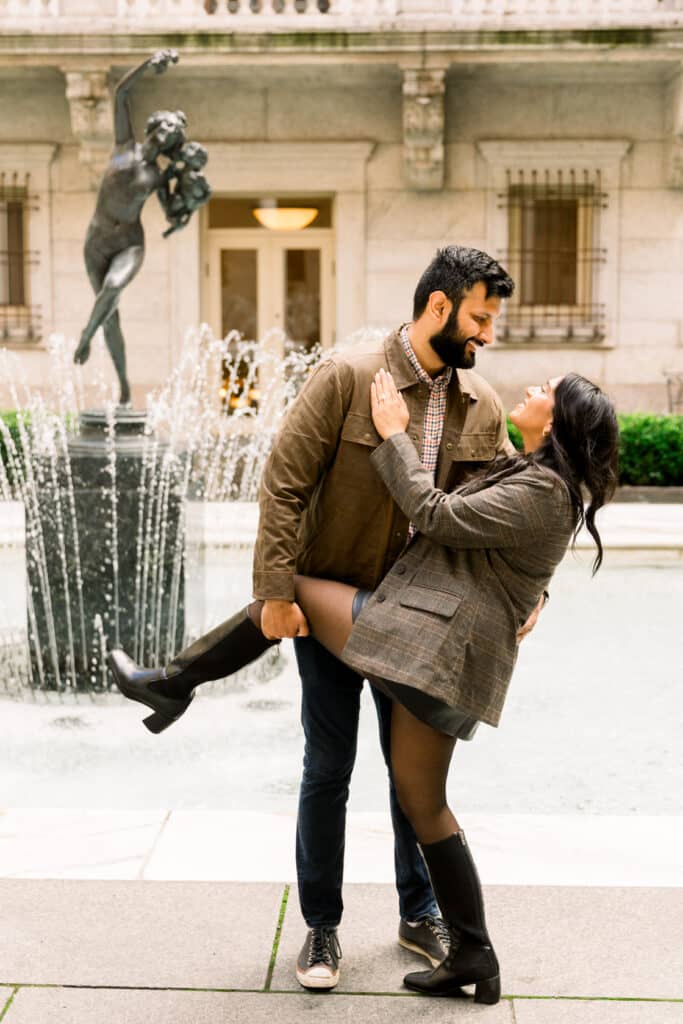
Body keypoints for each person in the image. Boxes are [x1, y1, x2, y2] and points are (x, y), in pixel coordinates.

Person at [109, 366, 620, 1004]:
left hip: (427, 645)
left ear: (561, 421)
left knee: (290, 590)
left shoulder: (545, 487)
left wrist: (393, 436)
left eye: (548, 390)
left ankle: (174, 681)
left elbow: (437, 515)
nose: (533, 390)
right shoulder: (540, 475)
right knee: (424, 803)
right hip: (442, 652)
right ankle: (475, 957)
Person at [73, 50, 209, 404]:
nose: (167, 133)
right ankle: (124, 389)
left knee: (112, 288)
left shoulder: (159, 175)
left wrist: (191, 203)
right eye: (165, 125)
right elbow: (121, 93)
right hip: (97, 240)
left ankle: (85, 337)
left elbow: (172, 212)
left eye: (174, 133)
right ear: (153, 126)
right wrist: (149, 65)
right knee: (112, 317)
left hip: (130, 244)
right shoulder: (123, 146)